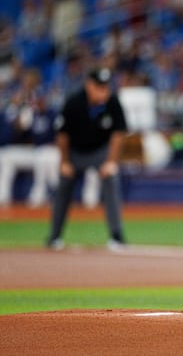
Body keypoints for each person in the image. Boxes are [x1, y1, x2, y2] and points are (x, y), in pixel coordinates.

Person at [46, 67, 128, 251]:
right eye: (99, 86)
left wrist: (112, 162)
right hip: (75, 152)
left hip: (100, 151)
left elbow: (118, 134)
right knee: (64, 183)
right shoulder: (74, 102)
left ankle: (117, 235)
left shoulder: (112, 102)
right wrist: (65, 162)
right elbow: (62, 136)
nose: (103, 90)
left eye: (105, 86)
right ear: (89, 85)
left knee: (111, 178)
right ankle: (54, 236)